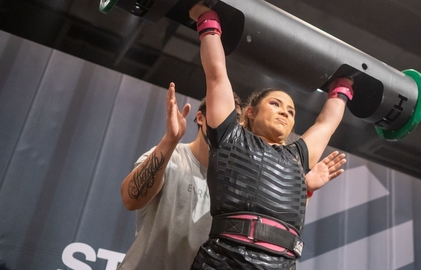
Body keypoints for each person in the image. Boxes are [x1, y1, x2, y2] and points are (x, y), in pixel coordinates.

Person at [189, 2, 354, 269]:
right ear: (251, 112)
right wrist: (206, 19)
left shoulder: (297, 156)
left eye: (291, 111)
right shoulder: (229, 135)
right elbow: (216, 76)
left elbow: (327, 122)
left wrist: (345, 86)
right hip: (224, 260)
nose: (285, 112)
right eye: (275, 104)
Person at [116, 84, 346, 270]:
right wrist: (170, 140)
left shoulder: (249, 175)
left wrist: (305, 189)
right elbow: (130, 198)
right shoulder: (174, 157)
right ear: (202, 118)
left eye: (234, 120)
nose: (227, 124)